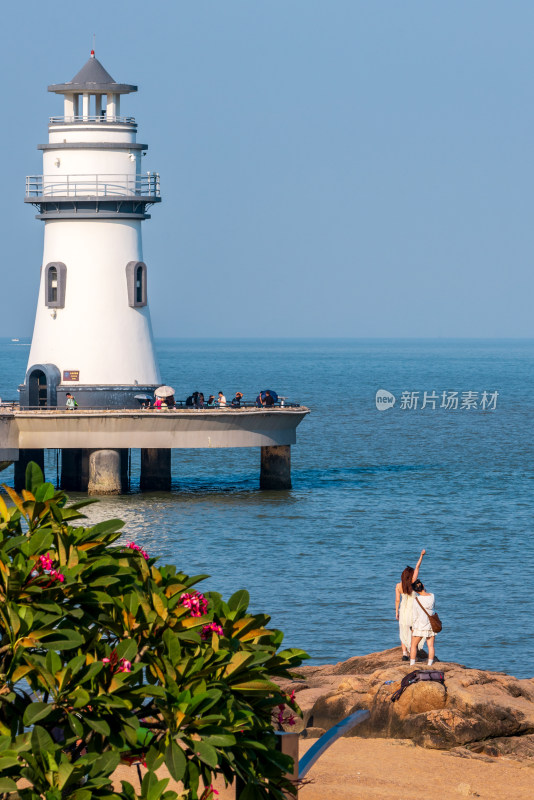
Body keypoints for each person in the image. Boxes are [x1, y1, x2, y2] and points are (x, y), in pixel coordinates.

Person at [395, 549, 426, 661]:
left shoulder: (398, 585)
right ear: (411, 575)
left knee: (403, 630)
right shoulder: (413, 582)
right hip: (413, 610)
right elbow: (417, 567)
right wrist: (421, 555)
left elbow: (397, 600)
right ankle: (414, 651)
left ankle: (404, 654)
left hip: (404, 609)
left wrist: (396, 612)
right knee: (414, 630)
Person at [410, 578, 437, 666]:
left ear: (415, 591)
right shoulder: (432, 596)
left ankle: (412, 663)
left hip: (420, 625)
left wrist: (413, 627)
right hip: (430, 625)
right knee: (431, 646)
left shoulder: (416, 600)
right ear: (423, 586)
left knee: (413, 645)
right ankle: (430, 664)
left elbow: (415, 615)